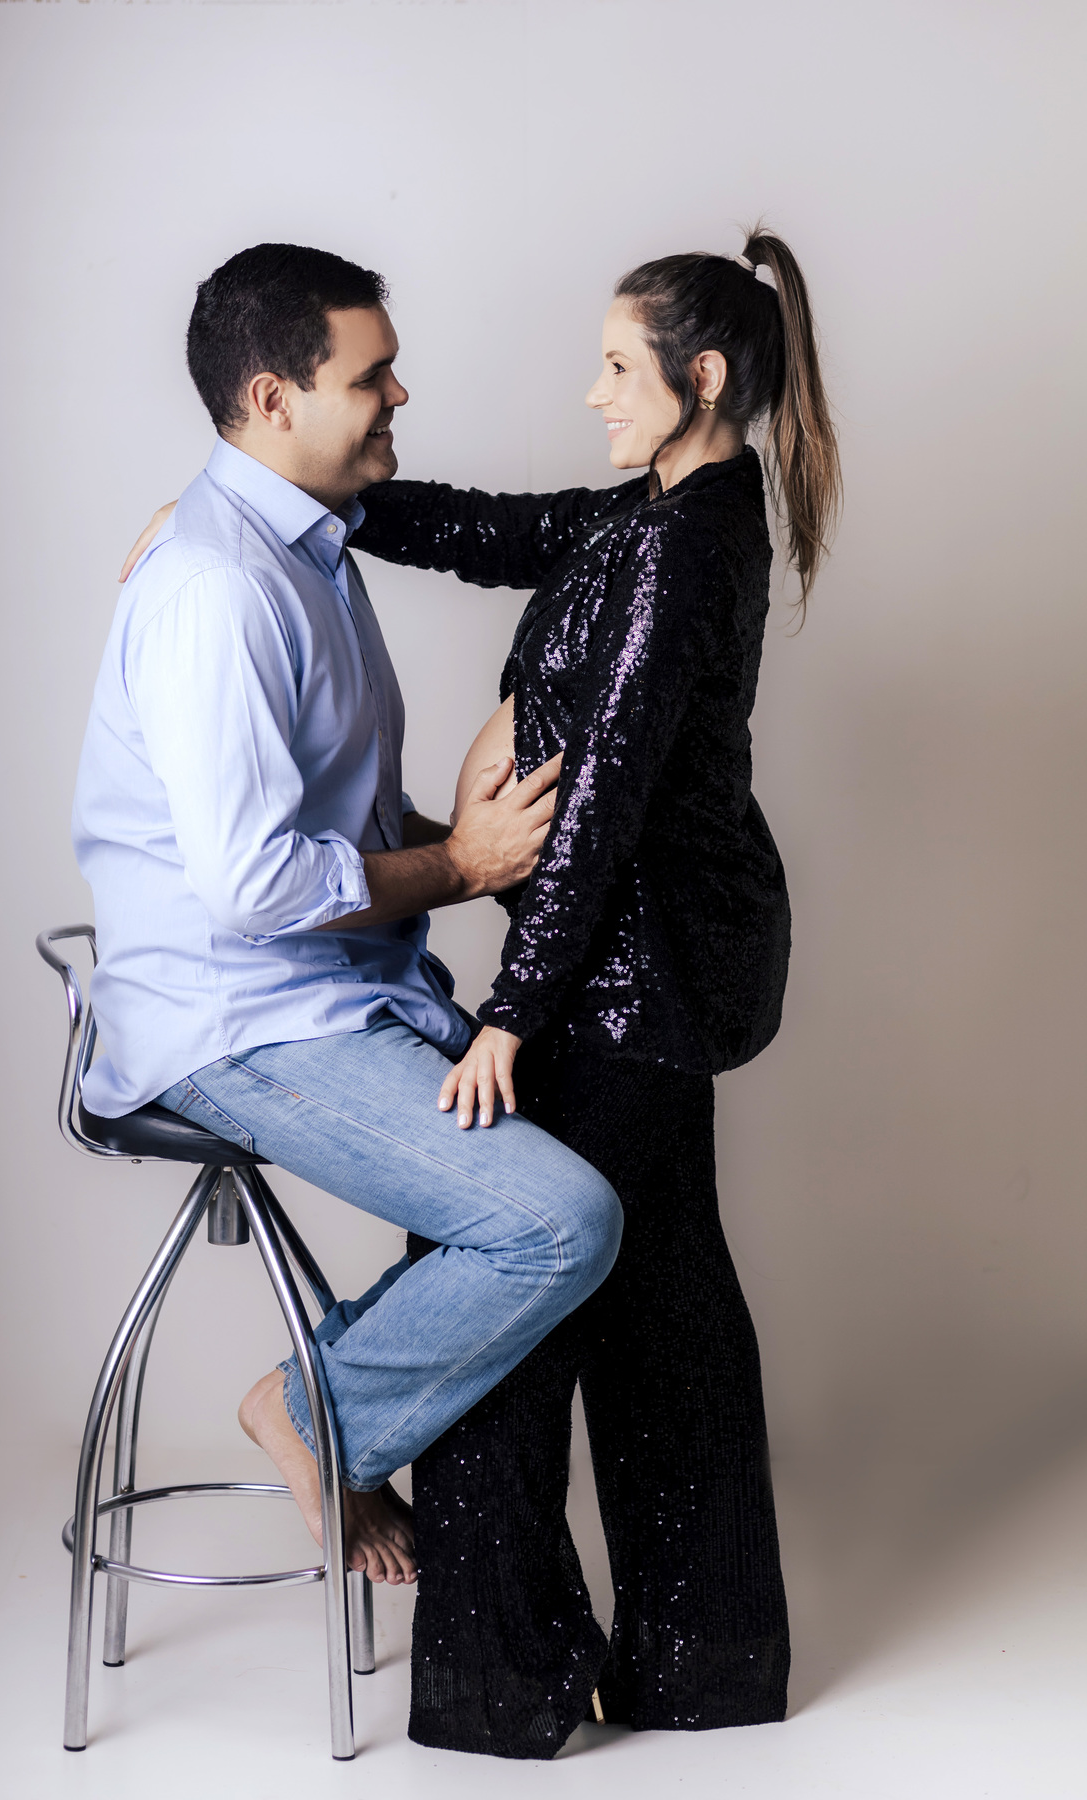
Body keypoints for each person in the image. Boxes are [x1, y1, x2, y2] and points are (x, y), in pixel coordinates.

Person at [345, 227, 841, 1755]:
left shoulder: (691, 544)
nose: (593, 391)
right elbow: (488, 528)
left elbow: (608, 798)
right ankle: (705, 1662)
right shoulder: (649, 512)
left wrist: (512, 1013)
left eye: (619, 366)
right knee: (662, 1301)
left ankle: (507, 1684)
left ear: (705, 378)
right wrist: (304, 495)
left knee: (509, 1280)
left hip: (629, 978)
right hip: (632, 968)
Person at [74, 243, 624, 1592]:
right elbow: (257, 887)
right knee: (561, 1221)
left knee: (587, 1117)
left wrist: (475, 842)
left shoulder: (310, 545)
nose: (400, 395)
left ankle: (374, 1446)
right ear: (274, 399)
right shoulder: (218, 588)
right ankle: (312, 1411)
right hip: (234, 1020)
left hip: (335, 993)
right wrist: (467, 867)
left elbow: (331, 822)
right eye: (371, 375)